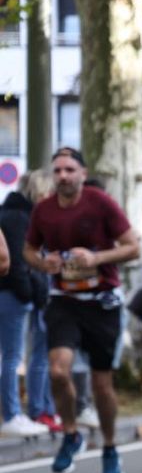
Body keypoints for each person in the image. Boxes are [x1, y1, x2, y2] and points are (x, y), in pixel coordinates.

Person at [23, 147, 140, 473]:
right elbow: (29, 250)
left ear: (83, 174)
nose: (63, 176)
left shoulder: (100, 203)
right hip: (64, 300)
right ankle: (71, 433)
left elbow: (132, 246)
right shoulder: (43, 210)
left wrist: (96, 258)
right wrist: (42, 263)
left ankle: (109, 445)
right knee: (59, 372)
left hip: (101, 301)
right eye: (57, 170)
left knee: (102, 385)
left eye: (70, 170)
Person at [1, 170, 55, 437]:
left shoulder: (15, 215)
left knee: (13, 356)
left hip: (16, 293)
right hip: (13, 295)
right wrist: (28, 294)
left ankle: (19, 411)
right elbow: (15, 263)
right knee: (12, 356)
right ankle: (11, 413)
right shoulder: (19, 218)